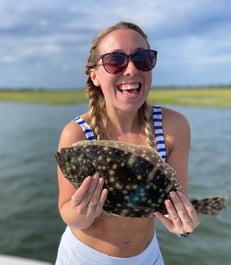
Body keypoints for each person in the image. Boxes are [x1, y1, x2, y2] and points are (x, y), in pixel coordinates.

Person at [55, 21, 200, 265]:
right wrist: (82, 213)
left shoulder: (175, 127)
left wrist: (183, 224)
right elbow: (67, 213)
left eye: (142, 58)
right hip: (83, 258)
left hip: (148, 257)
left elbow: (175, 201)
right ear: (95, 75)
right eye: (115, 61)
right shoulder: (76, 134)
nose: (131, 69)